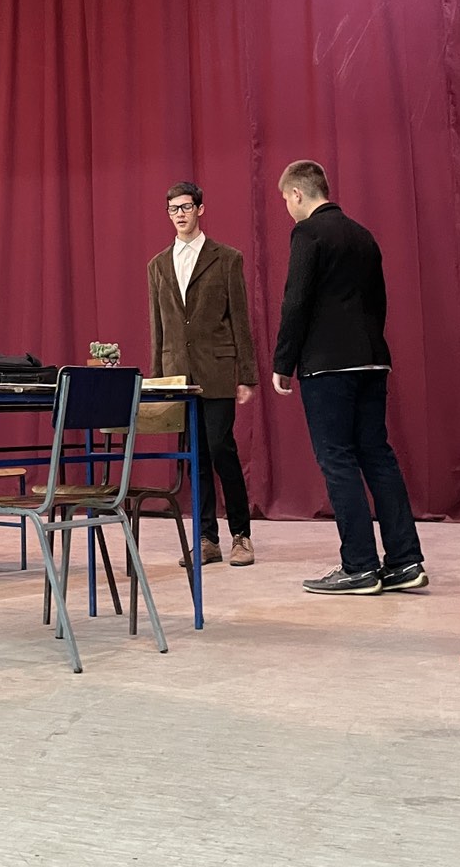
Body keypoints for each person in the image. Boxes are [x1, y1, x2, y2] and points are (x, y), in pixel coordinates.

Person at [272, 159, 427, 595]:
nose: (287, 207)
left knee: (337, 458)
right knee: (377, 454)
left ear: (297, 193)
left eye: (285, 199)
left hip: (328, 366)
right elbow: (379, 301)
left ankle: (359, 565)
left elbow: (295, 301)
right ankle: (405, 561)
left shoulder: (308, 233)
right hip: (372, 359)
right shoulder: (363, 234)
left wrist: (283, 361)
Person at [148, 181, 257, 567]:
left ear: (200, 209)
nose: (179, 214)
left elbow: (240, 320)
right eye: (173, 209)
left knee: (221, 447)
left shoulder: (226, 258)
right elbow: (158, 327)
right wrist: (158, 379)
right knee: (195, 456)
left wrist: (246, 375)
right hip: (178, 376)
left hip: (217, 369)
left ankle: (241, 534)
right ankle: (207, 538)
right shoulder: (158, 265)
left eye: (186, 207)